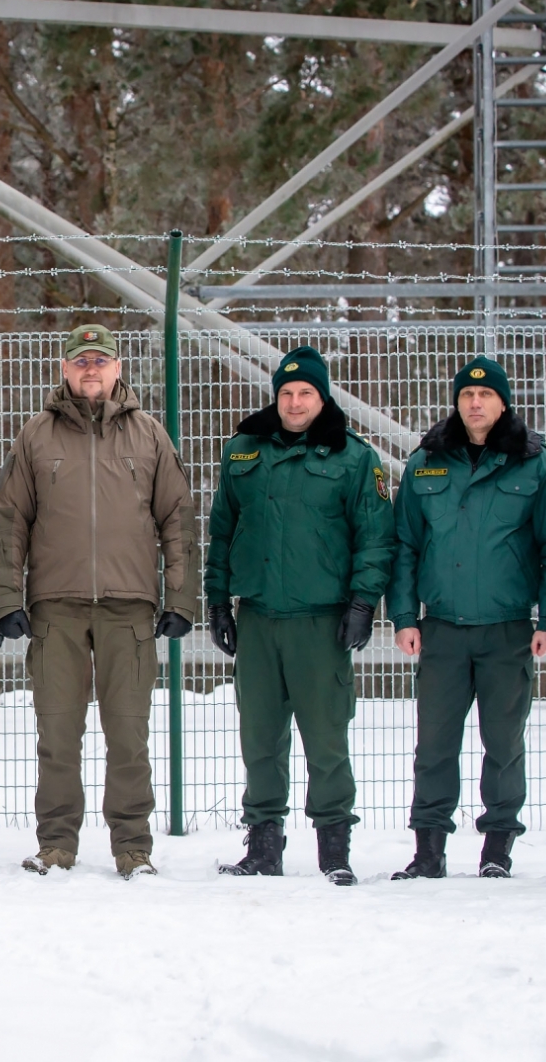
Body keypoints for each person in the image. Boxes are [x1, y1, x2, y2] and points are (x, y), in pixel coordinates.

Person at [0, 323, 198, 879]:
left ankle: (133, 848)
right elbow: (9, 521)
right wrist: (8, 597)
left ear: (117, 368)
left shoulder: (149, 435)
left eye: (100, 361)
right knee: (58, 734)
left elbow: (177, 519)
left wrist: (180, 598)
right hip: (55, 608)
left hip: (129, 608)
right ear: (64, 368)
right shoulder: (36, 435)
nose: (90, 370)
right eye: (80, 361)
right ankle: (56, 843)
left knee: (128, 736)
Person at [206, 345, 395, 885]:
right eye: (286, 393)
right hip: (259, 617)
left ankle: (334, 849)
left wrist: (363, 603)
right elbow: (222, 530)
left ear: (322, 397)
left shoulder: (354, 458)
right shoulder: (243, 451)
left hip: (321, 622)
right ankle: (264, 846)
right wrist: (217, 602)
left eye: (305, 393)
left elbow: (375, 538)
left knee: (326, 739)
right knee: (260, 739)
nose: (294, 402)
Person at [386, 356, 546, 880]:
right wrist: (404, 616)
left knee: (504, 743)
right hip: (442, 629)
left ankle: (497, 848)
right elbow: (405, 545)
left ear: (503, 403)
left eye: (486, 395)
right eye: (467, 394)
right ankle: (429, 849)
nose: (475, 402)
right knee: (434, 744)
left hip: (508, 630)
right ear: (457, 402)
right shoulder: (427, 462)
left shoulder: (537, 465)